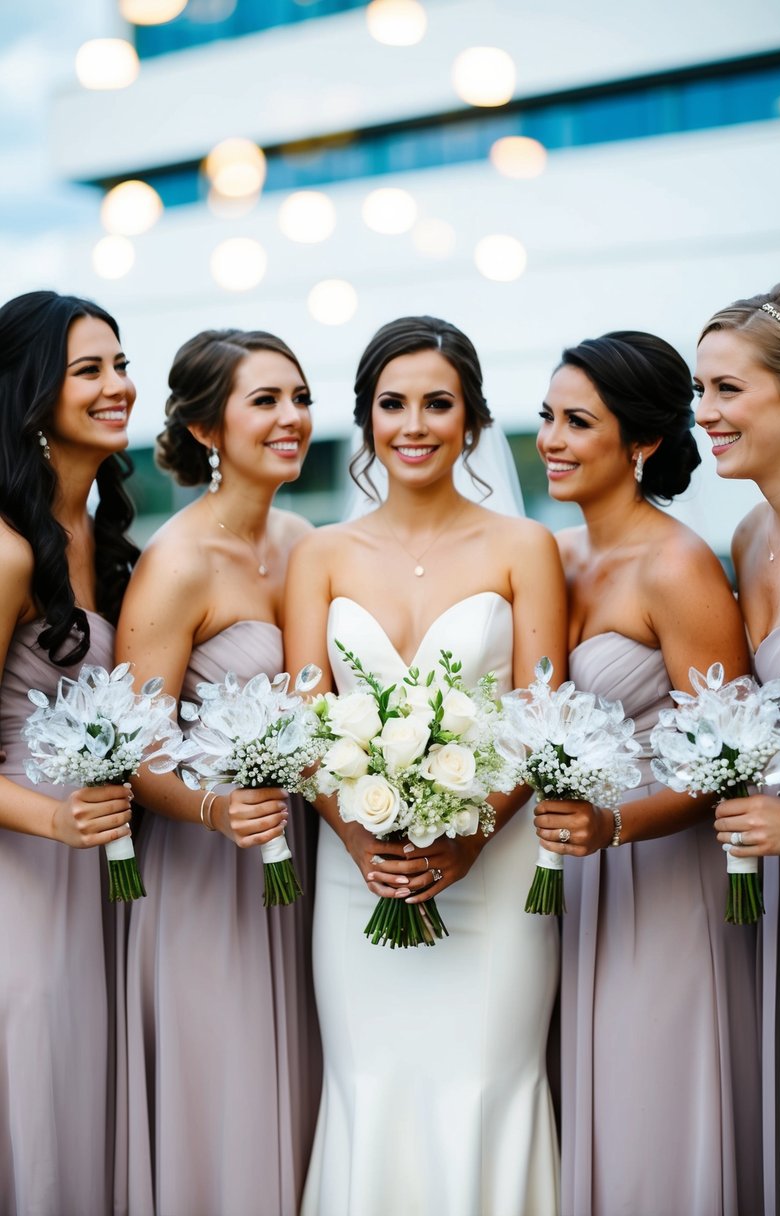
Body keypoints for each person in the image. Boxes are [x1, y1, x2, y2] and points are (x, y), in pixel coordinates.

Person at [284, 315, 567, 1216]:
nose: (413, 425)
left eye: (437, 404)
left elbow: (538, 717)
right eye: (391, 404)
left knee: (485, 1084)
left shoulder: (526, 548)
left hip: (496, 863)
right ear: (365, 418)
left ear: (473, 420)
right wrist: (358, 838)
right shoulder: (319, 555)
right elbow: (300, 723)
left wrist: (474, 836)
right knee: (370, 1083)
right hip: (354, 870)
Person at [534, 330, 762, 1216]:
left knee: (651, 1117)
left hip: (662, 876)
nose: (551, 438)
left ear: (640, 443)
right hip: (571, 878)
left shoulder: (678, 566)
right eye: (548, 416)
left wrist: (616, 826)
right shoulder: (553, 556)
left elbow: (733, 753)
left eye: (577, 421)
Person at [117, 329, 320, 1216]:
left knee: (305, 1094)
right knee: (227, 1097)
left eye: (299, 397)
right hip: (206, 874)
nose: (291, 418)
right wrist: (214, 810)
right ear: (206, 429)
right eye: (264, 401)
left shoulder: (308, 538)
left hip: (307, 861)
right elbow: (132, 752)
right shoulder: (175, 563)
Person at [0, 290, 138, 1215]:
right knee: (37, 1098)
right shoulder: (8, 553)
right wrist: (55, 816)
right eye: (88, 370)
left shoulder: (117, 545)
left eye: (119, 365)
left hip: (103, 871)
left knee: (89, 1098)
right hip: (24, 872)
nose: (117, 386)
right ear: (31, 395)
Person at [695, 282, 780, 1216]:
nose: (703, 413)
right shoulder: (746, 535)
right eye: (701, 391)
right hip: (774, 878)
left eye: (727, 390)